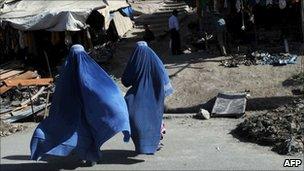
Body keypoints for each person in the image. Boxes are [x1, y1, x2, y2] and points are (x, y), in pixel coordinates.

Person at [30, 44, 131, 166]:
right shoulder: (90, 68)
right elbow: (104, 88)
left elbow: (61, 94)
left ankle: (88, 155)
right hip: (86, 111)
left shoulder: (68, 70)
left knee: (79, 133)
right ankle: (91, 156)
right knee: (86, 133)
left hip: (76, 112)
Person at [122, 41, 173, 154]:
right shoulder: (156, 60)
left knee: (135, 119)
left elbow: (125, 81)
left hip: (138, 97)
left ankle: (146, 144)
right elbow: (165, 78)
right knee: (154, 118)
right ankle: (151, 143)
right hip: (155, 96)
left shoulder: (135, 61)